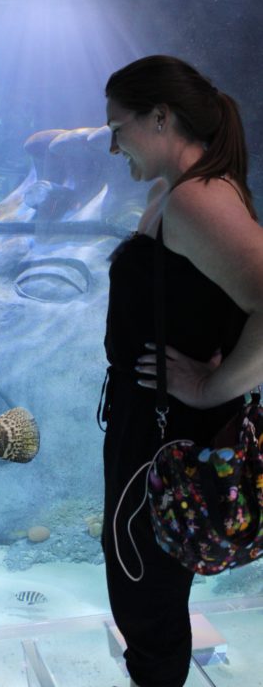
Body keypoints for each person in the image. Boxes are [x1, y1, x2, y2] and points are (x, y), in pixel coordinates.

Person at [100, 55, 263, 687]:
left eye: (119, 128)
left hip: (167, 437)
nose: (114, 146)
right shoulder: (183, 193)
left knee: (148, 598)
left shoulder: (198, 199)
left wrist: (215, 385)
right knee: (147, 591)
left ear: (160, 117)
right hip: (156, 428)